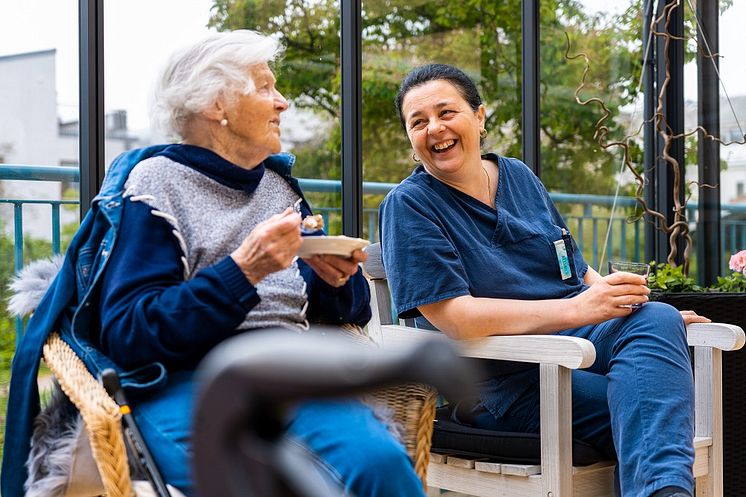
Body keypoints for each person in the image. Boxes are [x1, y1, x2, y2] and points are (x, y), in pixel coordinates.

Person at [1, 31, 424, 497]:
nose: (282, 102)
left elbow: (348, 311)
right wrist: (243, 271)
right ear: (216, 106)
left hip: (290, 378)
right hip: (186, 384)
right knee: (259, 479)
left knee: (380, 464)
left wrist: (337, 280)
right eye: (264, 87)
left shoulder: (279, 188)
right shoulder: (155, 185)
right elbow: (131, 333)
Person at [379, 63, 710, 497]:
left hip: (575, 350)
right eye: (418, 122)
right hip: (504, 383)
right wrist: (581, 308)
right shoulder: (409, 206)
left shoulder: (518, 176)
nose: (434, 129)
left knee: (657, 319)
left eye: (447, 113)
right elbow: (455, 318)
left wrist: (628, 308)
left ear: (479, 117)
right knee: (653, 407)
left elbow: (574, 271)